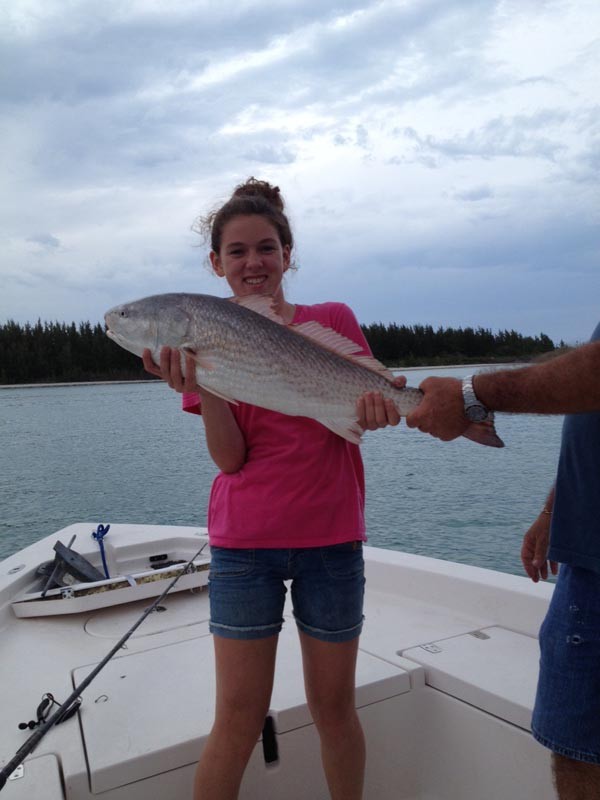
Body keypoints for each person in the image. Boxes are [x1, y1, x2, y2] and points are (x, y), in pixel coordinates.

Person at [142, 178, 402, 800]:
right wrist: (201, 385)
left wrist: (387, 407)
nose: (252, 262)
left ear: (288, 253)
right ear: (216, 264)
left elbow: (361, 406)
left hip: (332, 541)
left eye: (266, 248)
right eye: (236, 252)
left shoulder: (330, 320)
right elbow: (230, 461)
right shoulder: (194, 341)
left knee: (335, 711)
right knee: (235, 719)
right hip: (244, 548)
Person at [405, 328, 600, 800]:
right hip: (586, 556)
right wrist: (557, 508)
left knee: (577, 743)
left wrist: (471, 394)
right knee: (575, 745)